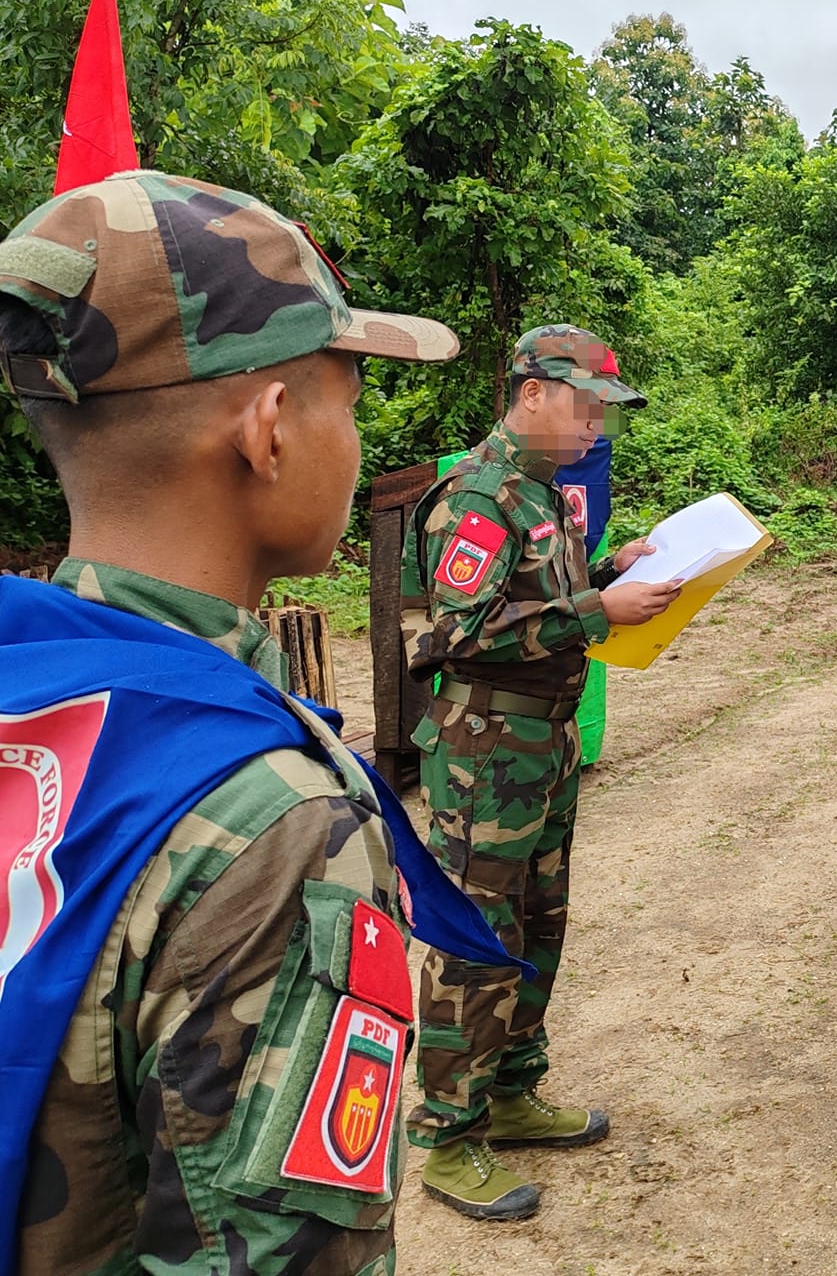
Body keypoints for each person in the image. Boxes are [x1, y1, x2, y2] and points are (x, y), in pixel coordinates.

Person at [0, 170, 507, 1270]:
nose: (358, 441)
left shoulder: (25, 685)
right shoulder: (269, 827)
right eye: (351, 401)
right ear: (268, 429)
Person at [401, 325, 683, 1219]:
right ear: (532, 394)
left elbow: (532, 601)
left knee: (538, 923)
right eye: (586, 404)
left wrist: (609, 568)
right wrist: (597, 607)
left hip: (545, 743)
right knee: (476, 934)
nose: (597, 423)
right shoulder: (478, 497)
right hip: (487, 747)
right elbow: (455, 634)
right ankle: (446, 1135)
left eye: (604, 408)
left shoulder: (541, 494)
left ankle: (513, 1090)